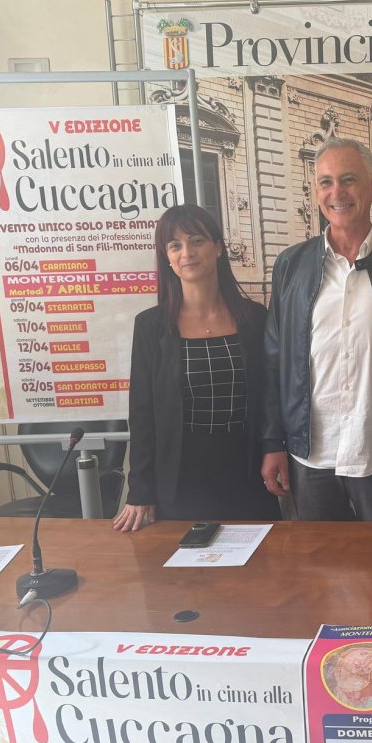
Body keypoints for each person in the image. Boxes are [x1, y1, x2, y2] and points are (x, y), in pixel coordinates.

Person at [259, 138, 372, 521]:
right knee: (318, 556)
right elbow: (273, 360)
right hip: (310, 454)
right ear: (316, 192)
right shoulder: (290, 266)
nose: (337, 193)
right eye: (326, 182)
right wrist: (272, 441)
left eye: (349, 180)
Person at [113, 204, 280, 530]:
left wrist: (275, 448)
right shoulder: (151, 326)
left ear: (218, 247)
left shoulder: (254, 318)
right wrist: (141, 489)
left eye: (197, 241)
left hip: (248, 471)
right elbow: (142, 414)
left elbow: (270, 396)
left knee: (263, 558)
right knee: (186, 561)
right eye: (175, 245)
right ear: (167, 258)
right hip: (180, 478)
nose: (187, 253)